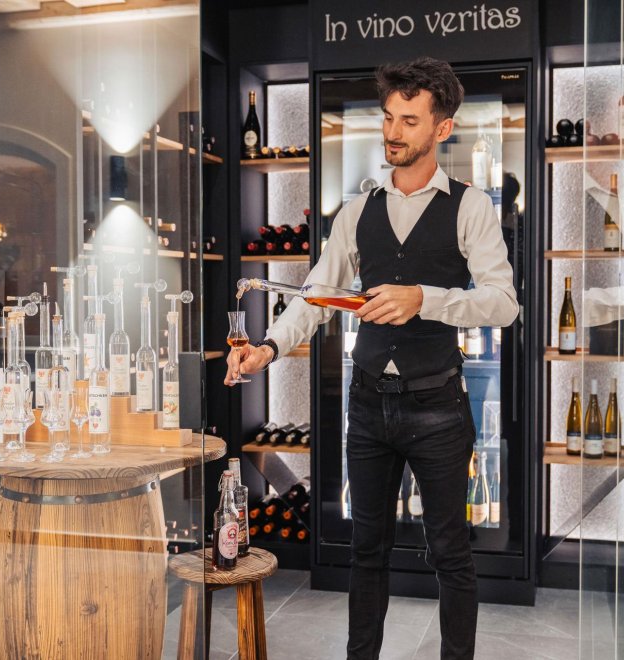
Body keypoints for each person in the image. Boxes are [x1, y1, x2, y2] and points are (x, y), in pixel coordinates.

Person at [225, 57, 518, 659]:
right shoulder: (357, 212)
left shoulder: (470, 207)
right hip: (367, 408)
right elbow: (316, 295)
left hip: (438, 407)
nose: (393, 132)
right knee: (366, 552)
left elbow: (503, 304)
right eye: (388, 118)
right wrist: (268, 348)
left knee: (451, 554)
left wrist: (425, 299)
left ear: (442, 128)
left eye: (409, 120)